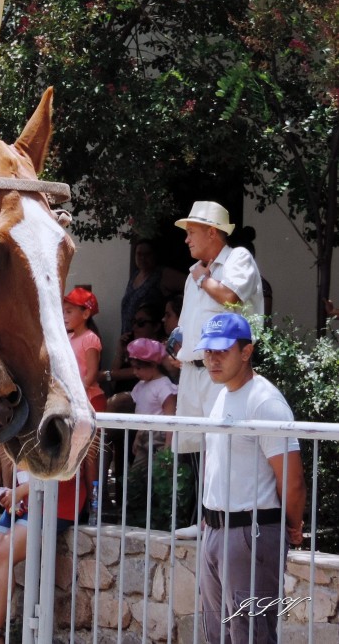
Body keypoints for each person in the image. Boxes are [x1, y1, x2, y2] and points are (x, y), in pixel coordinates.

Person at [195, 312, 303, 644]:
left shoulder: (265, 401)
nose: (212, 358)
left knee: (250, 636)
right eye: (208, 351)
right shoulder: (222, 395)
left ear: (246, 351)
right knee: (217, 635)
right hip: (216, 531)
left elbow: (293, 477)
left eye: (222, 351)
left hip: (251, 531)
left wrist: (293, 529)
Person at [173, 201, 264, 517]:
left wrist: (201, 277)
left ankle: (227, 517)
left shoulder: (238, 259)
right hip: (193, 369)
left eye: (192, 232)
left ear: (213, 232)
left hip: (225, 372)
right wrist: (174, 349)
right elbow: (185, 326)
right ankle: (204, 519)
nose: (187, 239)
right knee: (197, 447)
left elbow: (230, 297)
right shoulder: (193, 274)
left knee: (225, 444)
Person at [0, 465, 82, 644]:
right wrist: (14, 493)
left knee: (2, 556)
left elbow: (61, 468)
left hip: (55, 502)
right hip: (26, 500)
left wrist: (20, 491)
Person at [63, 286, 105, 412]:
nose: (64, 316)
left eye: (69, 312)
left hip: (90, 399)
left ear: (86, 314)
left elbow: (92, 373)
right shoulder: (68, 337)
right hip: (73, 399)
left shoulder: (90, 338)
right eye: (63, 312)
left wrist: (77, 393)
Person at [121, 240, 165, 340]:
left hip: (148, 338)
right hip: (129, 336)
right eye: (139, 254)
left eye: (147, 254)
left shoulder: (160, 275)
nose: (142, 258)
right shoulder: (134, 276)